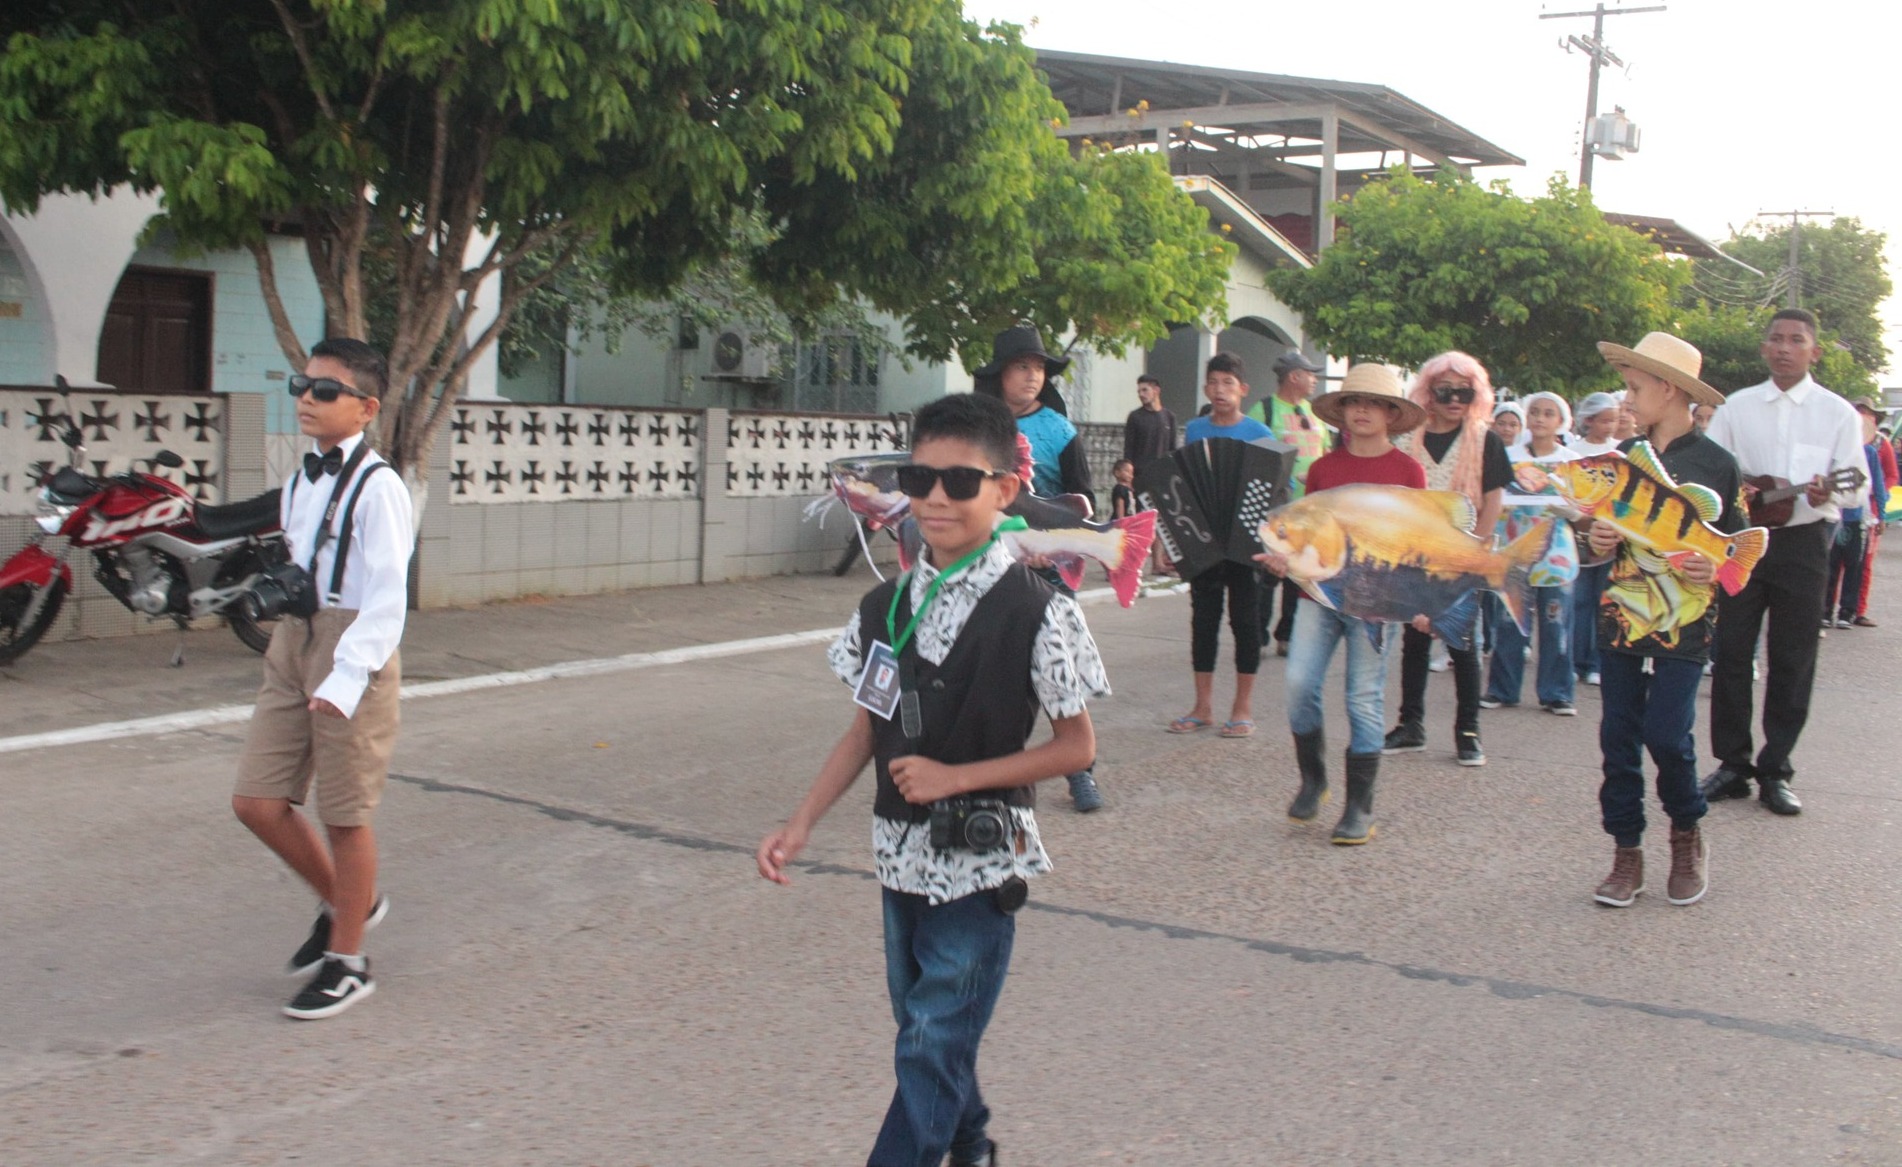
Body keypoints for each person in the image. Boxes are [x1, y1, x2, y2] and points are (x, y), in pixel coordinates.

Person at [756, 391, 1106, 1167]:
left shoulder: (1038, 609)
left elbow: (1076, 747)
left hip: (984, 862)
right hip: (899, 856)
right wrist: (801, 821)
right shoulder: (884, 606)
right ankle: (972, 1142)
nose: (937, 499)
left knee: (931, 1037)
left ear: (1006, 489)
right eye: (921, 480)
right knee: (928, 1026)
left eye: (961, 482)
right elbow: (863, 730)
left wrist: (956, 777)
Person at [230, 337, 412, 1020]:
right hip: (295, 637)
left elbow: (388, 596)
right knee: (257, 800)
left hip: (353, 645)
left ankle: (348, 961)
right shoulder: (303, 477)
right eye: (300, 386)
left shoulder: (381, 487)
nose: (307, 398)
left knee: (343, 812)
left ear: (365, 407)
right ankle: (350, 901)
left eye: (325, 390)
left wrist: (345, 677)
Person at [1584, 333, 1738, 907]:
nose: (1627, 399)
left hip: (1687, 622)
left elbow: (1737, 545)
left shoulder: (1718, 464)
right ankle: (1626, 854)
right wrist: (1595, 538)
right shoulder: (1621, 459)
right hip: (1623, 614)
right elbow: (1596, 537)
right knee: (1617, 737)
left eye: (1634, 387)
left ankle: (1686, 833)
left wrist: (1711, 563)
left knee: (1667, 734)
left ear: (1667, 389)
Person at [1702, 309, 1867, 817]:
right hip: (1743, 541)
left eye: (1796, 340)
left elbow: (1855, 483)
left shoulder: (1836, 412)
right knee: (1730, 649)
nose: (1784, 348)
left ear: (1814, 352)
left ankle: (1776, 768)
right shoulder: (1736, 407)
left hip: (1803, 543)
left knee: (1792, 657)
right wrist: (1743, 490)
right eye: (1775, 339)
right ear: (1763, 348)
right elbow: (1714, 471)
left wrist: (1822, 492)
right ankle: (1732, 764)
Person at [1258, 364, 1426, 843]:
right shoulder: (1323, 471)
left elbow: (1414, 543)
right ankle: (1314, 780)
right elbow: (1308, 540)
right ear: (1342, 412)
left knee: (1363, 698)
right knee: (1297, 683)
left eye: (1374, 403)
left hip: (1377, 604)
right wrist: (1283, 561)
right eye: (1354, 403)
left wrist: (1417, 598)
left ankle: (1359, 807)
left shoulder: (1407, 471)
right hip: (1319, 596)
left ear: (1392, 414)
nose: (1363, 411)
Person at [974, 327, 1103, 812]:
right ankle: (989, 778)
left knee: (1059, 672)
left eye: (1039, 368)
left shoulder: (1060, 431)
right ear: (1001, 374)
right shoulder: (976, 427)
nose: (1032, 376)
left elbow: (1082, 505)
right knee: (987, 676)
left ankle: (1080, 771)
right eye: (1022, 366)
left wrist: (1060, 550)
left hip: (1048, 574)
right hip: (983, 572)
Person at [1385, 351, 1513, 767]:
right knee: (1416, 639)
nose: (1455, 400)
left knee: (1463, 641)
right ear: (1428, 391)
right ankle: (1411, 726)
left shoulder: (1485, 440)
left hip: (1462, 552)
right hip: (1413, 553)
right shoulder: (1408, 437)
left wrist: (1476, 547)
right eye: (1446, 391)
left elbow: (1493, 497)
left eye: (1465, 391)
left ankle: (1468, 731)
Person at [1173, 352, 1274, 738]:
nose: (1220, 390)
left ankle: (1242, 708)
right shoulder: (1196, 429)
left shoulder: (1259, 434)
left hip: (1245, 543)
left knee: (1246, 623)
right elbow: (1181, 482)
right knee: (1203, 621)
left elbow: (1276, 489)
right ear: (1205, 388)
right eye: (1213, 383)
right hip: (1204, 541)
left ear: (1243, 390)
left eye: (1227, 384)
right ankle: (1202, 707)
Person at [1481, 391, 1581, 716]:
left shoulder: (1572, 461)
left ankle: (1557, 692)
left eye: (1548, 413)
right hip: (1514, 549)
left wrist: (1569, 511)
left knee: (1556, 622)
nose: (1540, 418)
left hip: (1556, 552)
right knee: (1510, 621)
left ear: (1561, 421)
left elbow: (1584, 507)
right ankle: (1502, 689)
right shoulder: (1507, 455)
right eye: (1535, 412)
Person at [1247, 349, 1331, 657]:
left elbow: (1326, 451)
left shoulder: (1314, 412)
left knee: (1300, 574)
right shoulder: (1265, 410)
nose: (1314, 380)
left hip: (1311, 512)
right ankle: (1257, 635)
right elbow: (1252, 457)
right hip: (1276, 510)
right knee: (1270, 574)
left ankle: (1288, 634)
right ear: (1294, 377)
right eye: (1310, 374)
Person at [1568, 391, 1624, 687]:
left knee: (1606, 600)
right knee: (1580, 601)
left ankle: (1598, 662)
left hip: (1612, 534)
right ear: (1589, 420)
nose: (1611, 426)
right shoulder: (1573, 452)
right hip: (1580, 533)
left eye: (1614, 420)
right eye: (1605, 420)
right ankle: (1578, 661)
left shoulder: (1619, 452)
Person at [1852, 403, 1896, 627]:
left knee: (1865, 561)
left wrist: (1877, 497)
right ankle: (1832, 609)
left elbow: (1891, 476)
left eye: (1866, 412)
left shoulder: (1880, 444)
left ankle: (1859, 610)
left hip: (1870, 509)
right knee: (1836, 562)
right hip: (1842, 508)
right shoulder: (1844, 439)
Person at [1122, 374, 1178, 466]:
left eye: (1145, 390)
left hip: (1162, 473)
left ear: (1156, 390)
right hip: (1141, 474)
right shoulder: (1135, 417)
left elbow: (1173, 450)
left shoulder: (1170, 417)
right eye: (1139, 391)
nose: (1141, 394)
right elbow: (1128, 449)